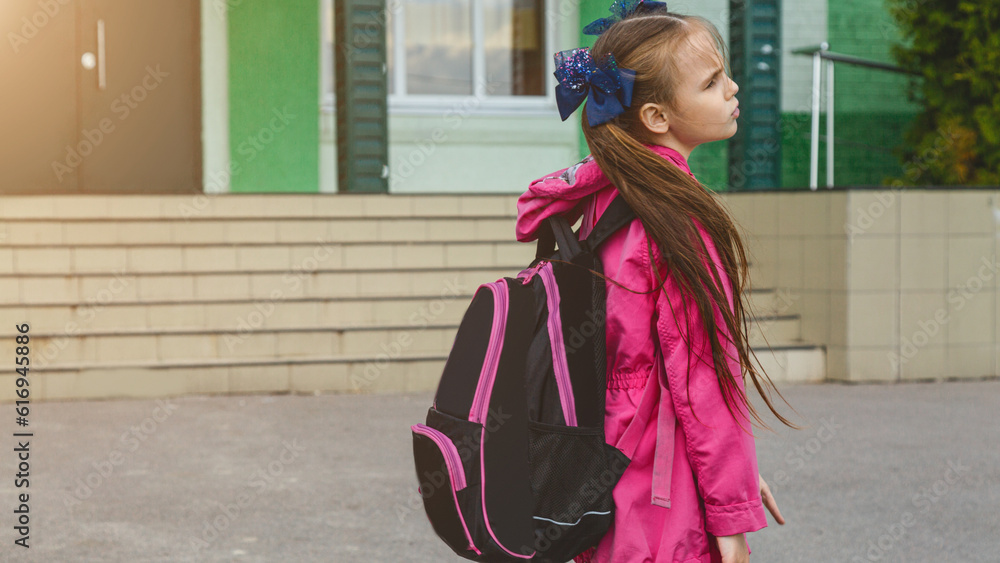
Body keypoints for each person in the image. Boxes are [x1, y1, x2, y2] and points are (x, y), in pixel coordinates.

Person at [515, 9, 797, 563]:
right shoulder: (677, 221)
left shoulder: (601, 202)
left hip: (601, 474)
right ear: (657, 115)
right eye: (712, 82)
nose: (733, 88)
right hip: (663, 491)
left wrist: (737, 481)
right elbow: (702, 381)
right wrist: (730, 517)